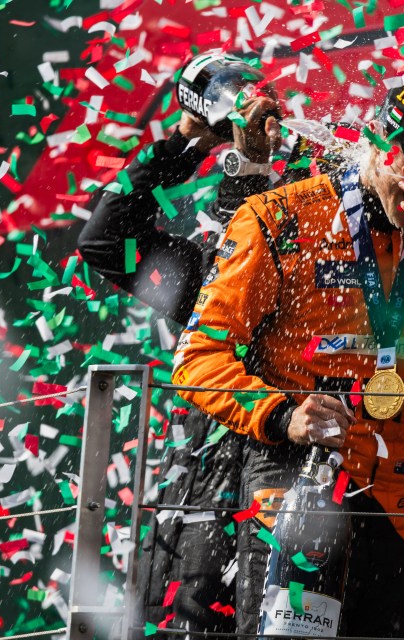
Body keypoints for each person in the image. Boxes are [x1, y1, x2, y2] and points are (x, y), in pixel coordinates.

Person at [172, 65, 404, 637]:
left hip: (402, 505)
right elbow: (196, 359)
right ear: (383, 149)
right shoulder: (278, 218)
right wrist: (283, 414)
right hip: (293, 483)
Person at [78, 54, 283, 635]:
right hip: (200, 470)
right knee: (178, 617)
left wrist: (257, 168)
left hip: (288, 468)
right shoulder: (201, 278)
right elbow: (103, 241)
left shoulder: (322, 248)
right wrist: (188, 142)